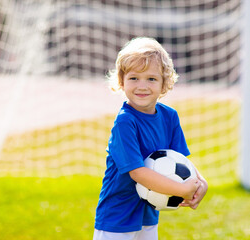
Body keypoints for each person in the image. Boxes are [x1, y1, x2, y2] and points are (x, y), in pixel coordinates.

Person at [93, 37, 208, 240]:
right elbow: (137, 173)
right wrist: (182, 189)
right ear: (121, 81)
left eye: (151, 79)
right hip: (117, 214)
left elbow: (180, 161)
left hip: (149, 212)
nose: (142, 86)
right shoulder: (125, 122)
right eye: (134, 78)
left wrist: (200, 183)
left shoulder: (169, 117)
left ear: (165, 83)